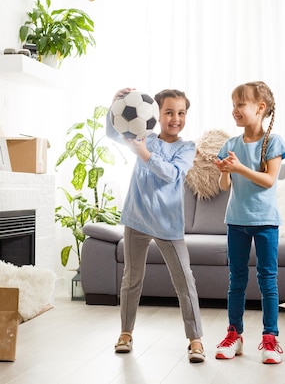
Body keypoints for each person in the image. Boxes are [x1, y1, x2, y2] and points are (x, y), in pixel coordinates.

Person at [108, 88, 205, 363]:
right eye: (169, 112)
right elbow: (114, 132)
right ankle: (125, 333)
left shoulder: (186, 148)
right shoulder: (144, 135)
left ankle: (195, 339)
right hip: (136, 219)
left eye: (181, 113)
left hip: (168, 223)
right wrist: (114, 103)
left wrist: (145, 154)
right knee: (132, 279)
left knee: (185, 280)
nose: (176, 118)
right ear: (156, 114)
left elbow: (172, 175)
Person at [213, 81, 285, 364]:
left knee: (267, 281)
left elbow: (268, 180)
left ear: (260, 108)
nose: (235, 110)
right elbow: (224, 186)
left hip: (266, 222)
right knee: (237, 281)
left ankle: (270, 338)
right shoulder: (230, 145)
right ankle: (235, 334)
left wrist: (239, 167)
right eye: (233, 105)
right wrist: (224, 171)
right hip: (236, 221)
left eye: (240, 104)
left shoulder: (274, 143)